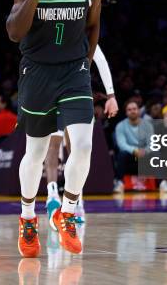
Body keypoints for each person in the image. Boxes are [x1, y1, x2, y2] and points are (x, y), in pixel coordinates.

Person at [6, 0, 102, 257]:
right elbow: (14, 33)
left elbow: (93, 26)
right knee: (35, 152)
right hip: (37, 73)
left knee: (85, 144)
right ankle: (28, 218)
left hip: (73, 72)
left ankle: (69, 212)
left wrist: (85, 64)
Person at [44, 44, 118, 225]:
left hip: (58, 92)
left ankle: (57, 196)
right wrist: (110, 95)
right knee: (69, 149)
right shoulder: (82, 32)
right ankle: (69, 200)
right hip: (71, 95)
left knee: (64, 148)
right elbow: (101, 62)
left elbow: (101, 62)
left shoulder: (60, 29)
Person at [113, 100, 154, 194]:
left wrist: (145, 151)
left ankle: (162, 183)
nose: (132, 111)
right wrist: (134, 150)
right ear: (126, 112)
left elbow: (152, 143)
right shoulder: (120, 126)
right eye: (129, 109)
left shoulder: (147, 125)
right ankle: (119, 183)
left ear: (139, 110)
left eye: (135, 109)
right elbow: (121, 144)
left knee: (156, 153)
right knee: (122, 154)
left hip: (145, 155)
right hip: (130, 154)